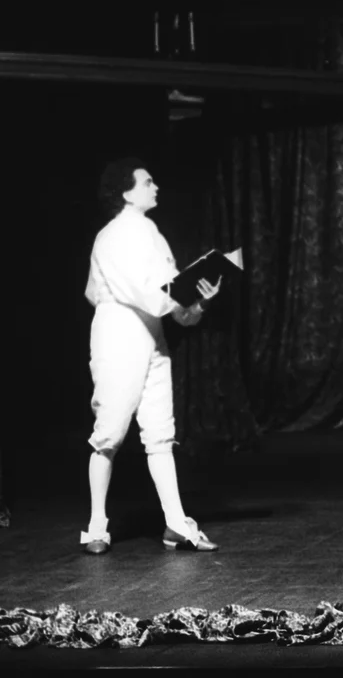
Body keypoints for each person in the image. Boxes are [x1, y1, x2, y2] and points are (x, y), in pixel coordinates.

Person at [81, 158, 223, 555]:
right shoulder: (111, 237)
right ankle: (96, 526)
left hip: (152, 335)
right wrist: (179, 295)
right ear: (126, 192)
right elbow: (147, 294)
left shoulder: (153, 234)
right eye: (147, 182)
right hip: (119, 333)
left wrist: (198, 301)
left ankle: (176, 524)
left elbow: (171, 300)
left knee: (160, 434)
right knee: (109, 432)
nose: (155, 186)